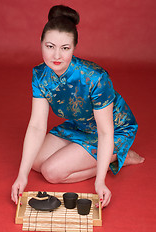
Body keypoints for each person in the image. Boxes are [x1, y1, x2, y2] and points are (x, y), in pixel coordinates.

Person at [11, 5, 144, 208]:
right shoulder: (40, 75)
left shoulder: (95, 78)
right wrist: (22, 175)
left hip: (113, 129)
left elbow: (105, 131)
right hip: (80, 126)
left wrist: (100, 182)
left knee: (51, 172)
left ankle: (116, 157)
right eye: (50, 46)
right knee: (35, 162)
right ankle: (97, 156)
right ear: (40, 44)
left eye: (65, 48)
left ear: (74, 48)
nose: (56, 56)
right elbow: (37, 125)